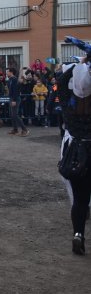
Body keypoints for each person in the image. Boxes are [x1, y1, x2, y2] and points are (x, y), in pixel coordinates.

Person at [57, 49, 91, 255]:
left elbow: (61, 83)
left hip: (78, 155)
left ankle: (78, 234)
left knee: (79, 200)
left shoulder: (70, 111)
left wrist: (77, 66)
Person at [6, 67, 29, 136]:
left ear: (11, 72)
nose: (6, 73)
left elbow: (16, 91)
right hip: (11, 98)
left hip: (15, 99)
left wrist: (14, 100)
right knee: (12, 115)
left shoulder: (14, 79)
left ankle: (25, 130)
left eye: (7, 71)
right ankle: (15, 130)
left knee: (15, 115)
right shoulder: (10, 79)